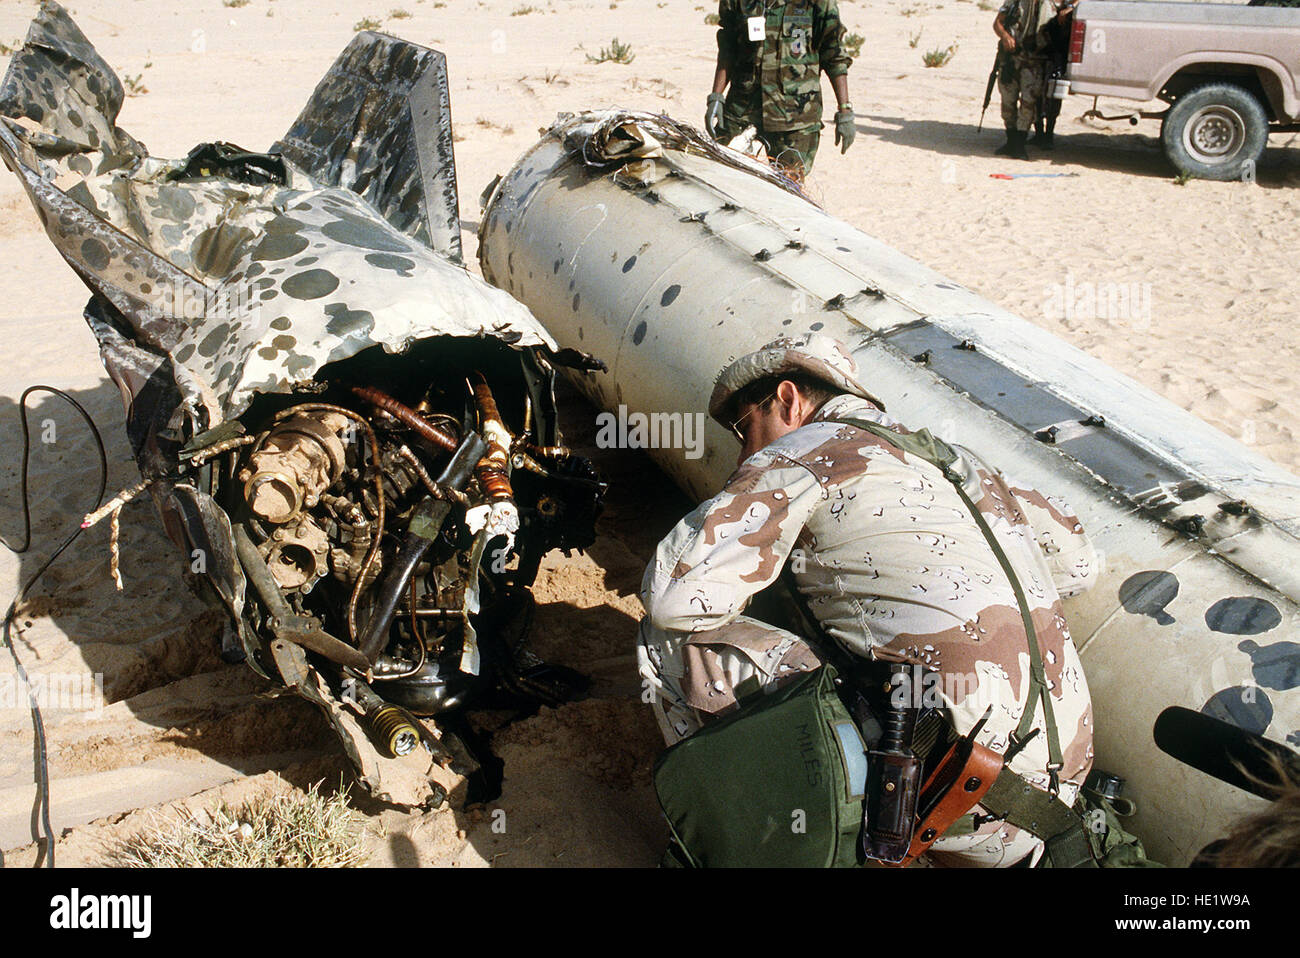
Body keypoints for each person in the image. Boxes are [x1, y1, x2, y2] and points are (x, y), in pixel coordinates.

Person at [638, 333, 1101, 866]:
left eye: (744, 430)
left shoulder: (809, 449)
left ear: (787, 399)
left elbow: (673, 597)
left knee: (667, 637)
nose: (743, 450)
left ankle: (747, 834)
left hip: (936, 797)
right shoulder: (962, 461)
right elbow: (1080, 565)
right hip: (1046, 808)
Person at [704, 0, 856, 178]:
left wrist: (844, 109)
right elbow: (728, 47)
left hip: (794, 120)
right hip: (741, 112)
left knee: (788, 190)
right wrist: (716, 96)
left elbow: (833, 53)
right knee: (728, 181)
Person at [993, 0, 1073, 159]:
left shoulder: (1055, 3)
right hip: (1011, 59)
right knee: (1008, 102)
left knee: (1028, 104)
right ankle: (1011, 141)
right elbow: (997, 22)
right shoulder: (1016, 2)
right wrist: (1005, 36)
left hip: (1036, 62)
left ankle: (1019, 144)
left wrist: (1069, 8)